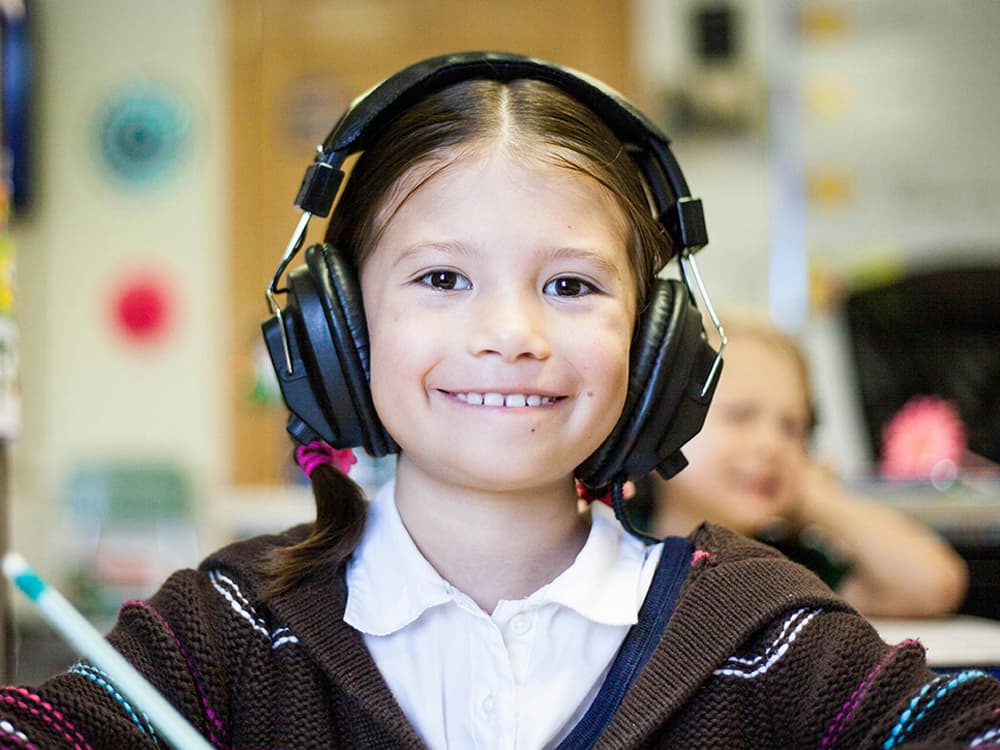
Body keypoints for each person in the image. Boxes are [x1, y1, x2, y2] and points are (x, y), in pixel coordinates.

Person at [3, 52, 999, 749]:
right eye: (441, 279)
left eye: (571, 285)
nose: (511, 333)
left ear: (659, 347)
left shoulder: (763, 633)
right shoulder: (227, 631)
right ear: (337, 331)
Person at [636, 311, 970, 618]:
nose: (772, 445)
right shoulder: (613, 550)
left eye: (793, 427)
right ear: (657, 427)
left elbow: (932, 586)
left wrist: (817, 499)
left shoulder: (795, 570)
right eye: (739, 415)